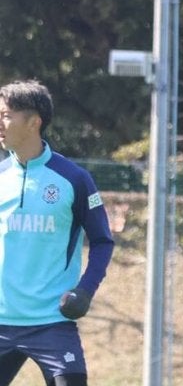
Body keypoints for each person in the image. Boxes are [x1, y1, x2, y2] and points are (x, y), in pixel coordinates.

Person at [0, 80, 114, 386]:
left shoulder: (74, 179)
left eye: (6, 115)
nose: (0, 123)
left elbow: (102, 241)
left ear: (33, 122)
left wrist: (85, 291)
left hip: (52, 322)